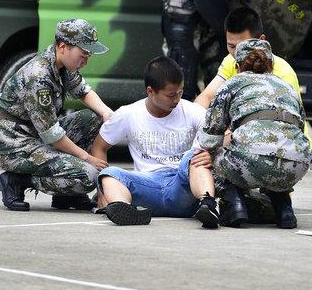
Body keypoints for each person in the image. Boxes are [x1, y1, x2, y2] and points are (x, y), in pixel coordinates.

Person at [0, 19, 115, 211]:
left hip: (37, 134)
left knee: (93, 119)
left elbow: (83, 90)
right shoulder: (39, 76)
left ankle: (66, 197)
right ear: (63, 46)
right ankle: (17, 179)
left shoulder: (63, 65)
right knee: (88, 175)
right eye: (83, 54)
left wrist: (107, 113)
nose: (86, 60)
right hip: (16, 145)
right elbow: (53, 137)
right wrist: (88, 159)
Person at [90, 56, 219, 228]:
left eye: (180, 92)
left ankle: (207, 205)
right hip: (147, 187)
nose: (177, 99)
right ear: (150, 91)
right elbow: (99, 146)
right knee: (110, 173)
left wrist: (212, 154)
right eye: (171, 95)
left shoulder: (193, 111)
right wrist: (101, 193)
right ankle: (122, 208)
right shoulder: (128, 114)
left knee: (196, 156)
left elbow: (223, 134)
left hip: (181, 188)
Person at [198, 39, 312, 229]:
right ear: (270, 65)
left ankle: (234, 206)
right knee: (277, 154)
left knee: (208, 157)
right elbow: (298, 130)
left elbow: (210, 137)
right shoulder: (287, 87)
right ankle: (284, 208)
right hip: (296, 165)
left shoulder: (232, 84)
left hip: (249, 161)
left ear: (237, 65)